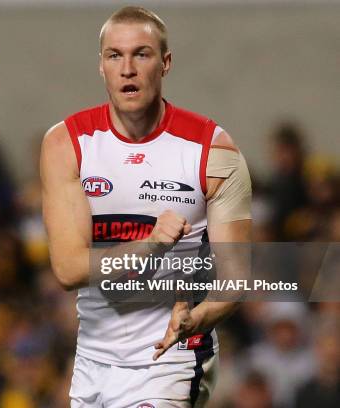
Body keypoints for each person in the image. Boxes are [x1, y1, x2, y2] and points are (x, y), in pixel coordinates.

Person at [40, 6, 252, 407]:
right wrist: (149, 245)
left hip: (171, 358)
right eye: (114, 56)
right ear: (101, 66)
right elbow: (68, 269)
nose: (127, 69)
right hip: (92, 363)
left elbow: (236, 278)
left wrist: (198, 319)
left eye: (142, 54)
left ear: (165, 63)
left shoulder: (214, 151)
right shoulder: (66, 143)